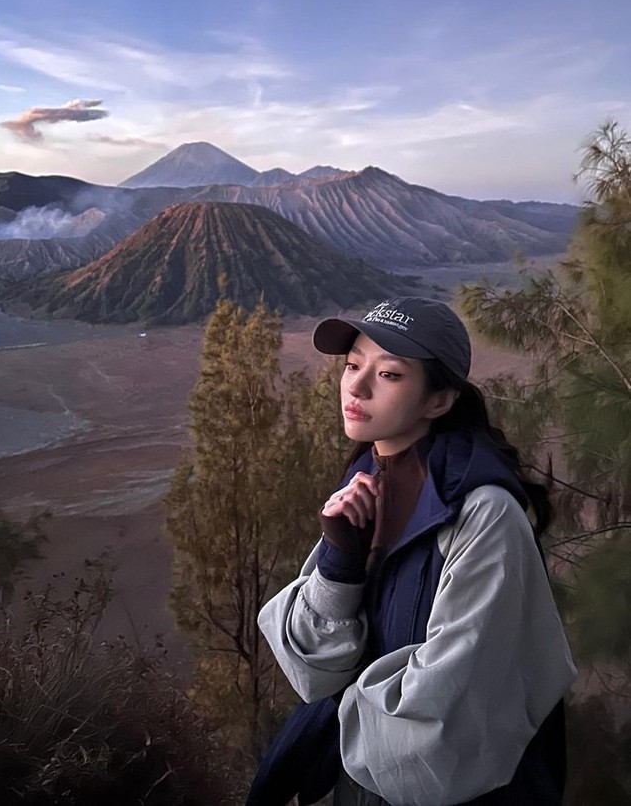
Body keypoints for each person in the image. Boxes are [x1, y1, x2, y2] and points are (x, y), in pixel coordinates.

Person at [246, 297, 577, 806]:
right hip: (361, 780)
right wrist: (339, 564)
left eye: (390, 375)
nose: (355, 386)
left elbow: (451, 705)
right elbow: (314, 669)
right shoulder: (364, 485)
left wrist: (345, 704)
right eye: (354, 365)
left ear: (438, 401)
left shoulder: (483, 515)